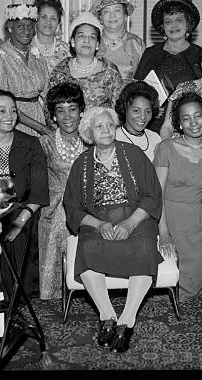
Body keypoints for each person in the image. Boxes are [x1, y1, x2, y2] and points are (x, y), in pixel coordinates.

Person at [63, 107, 163, 353]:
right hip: (98, 220)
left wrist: (130, 224)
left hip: (136, 218)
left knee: (143, 247)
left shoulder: (134, 154)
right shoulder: (82, 164)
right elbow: (73, 207)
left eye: (110, 125)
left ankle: (127, 321)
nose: (106, 130)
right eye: (99, 126)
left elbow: (152, 195)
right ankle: (107, 316)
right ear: (89, 132)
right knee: (87, 247)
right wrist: (99, 225)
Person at [0, 89, 49, 298]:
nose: (9, 116)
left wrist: (21, 219)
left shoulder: (30, 144)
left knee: (15, 233)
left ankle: (9, 300)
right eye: (1, 111)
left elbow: (39, 190)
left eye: (13, 111)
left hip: (24, 211)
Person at [154, 92, 202, 302]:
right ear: (179, 124)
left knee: (192, 285)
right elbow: (157, 194)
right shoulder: (166, 147)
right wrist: (164, 234)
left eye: (198, 116)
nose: (193, 123)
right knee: (165, 280)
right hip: (166, 217)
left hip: (195, 221)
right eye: (186, 118)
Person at [38, 82, 87, 300]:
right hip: (55, 206)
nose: (67, 116)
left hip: (86, 206)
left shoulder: (91, 140)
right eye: (60, 110)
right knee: (58, 220)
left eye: (73, 109)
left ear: (82, 112)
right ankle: (53, 295)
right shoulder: (45, 143)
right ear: (53, 116)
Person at [133, 0, 202, 133]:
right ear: (162, 26)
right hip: (153, 125)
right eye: (168, 21)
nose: (173, 25)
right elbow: (137, 90)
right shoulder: (150, 53)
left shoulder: (200, 55)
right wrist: (150, 107)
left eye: (179, 20)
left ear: (188, 24)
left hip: (190, 126)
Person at [0, 3, 50, 136]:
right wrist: (40, 128)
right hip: (13, 120)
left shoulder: (37, 55)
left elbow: (47, 94)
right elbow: (0, 101)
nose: (27, 31)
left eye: (30, 26)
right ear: (10, 28)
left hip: (38, 116)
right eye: (21, 26)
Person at [49, 11, 124, 109]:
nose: (86, 40)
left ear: (97, 44)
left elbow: (120, 109)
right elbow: (50, 108)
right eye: (81, 36)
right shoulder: (60, 71)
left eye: (92, 37)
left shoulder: (110, 71)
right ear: (72, 42)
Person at [89, 0, 145, 86]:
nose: (112, 15)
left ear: (125, 16)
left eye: (117, 10)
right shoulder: (92, 42)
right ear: (100, 18)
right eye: (106, 12)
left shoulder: (137, 43)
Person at [114, 80, 162, 161]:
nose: (143, 117)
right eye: (136, 111)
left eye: (148, 111)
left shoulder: (155, 138)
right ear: (125, 108)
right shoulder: (114, 139)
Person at [31, 0, 71, 76]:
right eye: (44, 17)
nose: (48, 22)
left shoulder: (67, 51)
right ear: (36, 19)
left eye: (53, 18)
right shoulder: (25, 48)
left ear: (58, 22)